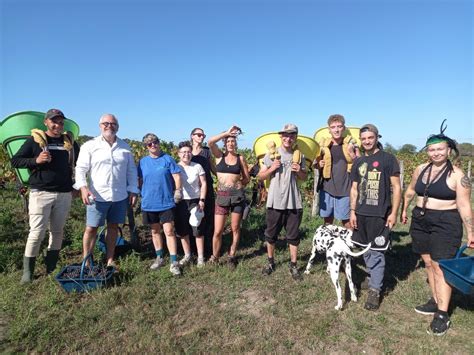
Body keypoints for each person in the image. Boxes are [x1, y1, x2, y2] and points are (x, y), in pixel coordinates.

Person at [401, 120, 473, 336]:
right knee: (428, 263)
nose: (436, 153)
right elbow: (411, 190)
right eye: (431, 150)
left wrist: (471, 231)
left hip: (446, 222)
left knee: (441, 267)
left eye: (440, 149)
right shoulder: (421, 169)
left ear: (448, 150)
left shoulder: (458, 176)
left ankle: (442, 314)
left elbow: (464, 206)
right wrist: (404, 210)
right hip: (421, 219)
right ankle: (436, 300)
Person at [12, 109, 80, 283]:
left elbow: (80, 165)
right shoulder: (34, 141)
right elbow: (16, 161)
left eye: (61, 122)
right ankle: (28, 273)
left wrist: (78, 186)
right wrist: (36, 160)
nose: (58, 125)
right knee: (36, 233)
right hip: (41, 193)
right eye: (54, 121)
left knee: (57, 232)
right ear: (46, 122)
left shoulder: (70, 143)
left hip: (64, 193)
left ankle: (51, 267)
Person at [75, 114, 139, 269]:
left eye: (113, 123)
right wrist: (83, 188)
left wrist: (133, 190)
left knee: (113, 227)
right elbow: (81, 169)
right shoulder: (89, 146)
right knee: (91, 228)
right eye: (106, 123)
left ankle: (110, 258)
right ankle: (87, 260)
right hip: (97, 196)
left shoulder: (125, 147)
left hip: (119, 195)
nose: (109, 126)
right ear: (100, 125)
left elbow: (131, 170)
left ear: (117, 126)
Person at [349, 124, 401, 310]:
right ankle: (373, 279)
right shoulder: (358, 161)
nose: (367, 141)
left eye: (370, 137)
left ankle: (375, 291)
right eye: (363, 139)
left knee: (377, 252)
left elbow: (397, 188)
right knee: (364, 249)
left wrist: (394, 212)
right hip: (361, 214)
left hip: (380, 214)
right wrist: (352, 211)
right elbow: (354, 189)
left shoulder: (388, 159)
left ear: (377, 137)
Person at [258, 123, 308, 280]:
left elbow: (305, 177)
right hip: (275, 201)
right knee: (271, 234)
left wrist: (299, 170)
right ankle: (271, 262)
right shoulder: (271, 155)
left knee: (293, 236)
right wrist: (272, 168)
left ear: (295, 137)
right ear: (280, 137)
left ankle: (293, 265)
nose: (288, 138)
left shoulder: (299, 156)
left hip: (293, 201)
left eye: (292, 135)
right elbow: (261, 176)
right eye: (285, 135)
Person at [137, 133, 183, 276]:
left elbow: (177, 176)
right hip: (149, 202)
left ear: (158, 143)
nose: (153, 145)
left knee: (169, 231)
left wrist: (178, 191)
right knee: (155, 231)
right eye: (149, 144)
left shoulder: (167, 159)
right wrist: (138, 194)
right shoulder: (143, 162)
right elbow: (139, 180)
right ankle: (159, 257)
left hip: (166, 201)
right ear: (146, 147)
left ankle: (174, 261)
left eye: (155, 142)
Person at [207, 125, 250, 268]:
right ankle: (215, 256)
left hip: (237, 196)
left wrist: (239, 185)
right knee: (218, 230)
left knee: (235, 228)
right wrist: (226, 132)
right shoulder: (219, 156)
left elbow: (246, 178)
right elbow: (210, 142)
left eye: (233, 141)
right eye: (228, 141)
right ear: (224, 144)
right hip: (222, 196)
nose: (231, 143)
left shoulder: (240, 158)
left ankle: (232, 255)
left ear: (236, 144)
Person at [315, 114, 360, 228]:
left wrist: (352, 155)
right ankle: (328, 243)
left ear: (343, 128)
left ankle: (349, 244)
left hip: (346, 189)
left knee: (347, 221)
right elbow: (315, 163)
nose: (336, 129)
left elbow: (361, 165)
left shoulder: (351, 145)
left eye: (339, 126)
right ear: (329, 129)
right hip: (327, 189)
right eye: (333, 127)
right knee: (328, 220)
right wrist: (319, 165)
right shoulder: (324, 146)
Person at [175, 140, 207, 267]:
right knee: (182, 230)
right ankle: (187, 255)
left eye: (188, 152)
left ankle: (200, 257)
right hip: (180, 202)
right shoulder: (175, 167)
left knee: (197, 229)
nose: (186, 154)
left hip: (195, 201)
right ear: (178, 154)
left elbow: (203, 183)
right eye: (183, 152)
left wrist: (202, 200)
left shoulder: (197, 166)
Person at [190, 128, 215, 256]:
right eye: (199, 135)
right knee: (194, 219)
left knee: (208, 218)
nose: (201, 137)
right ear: (192, 136)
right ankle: (194, 249)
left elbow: (213, 169)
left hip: (208, 188)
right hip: (193, 191)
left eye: (203, 135)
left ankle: (209, 248)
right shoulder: (187, 151)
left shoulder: (206, 151)